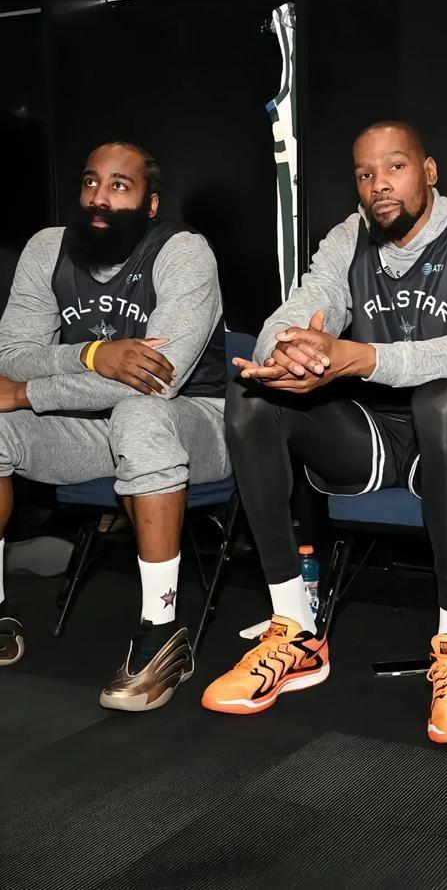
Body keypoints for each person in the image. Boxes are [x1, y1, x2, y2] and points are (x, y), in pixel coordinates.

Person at [203, 121, 447, 745]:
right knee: (251, 393)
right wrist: (287, 350)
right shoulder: (348, 237)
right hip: (376, 434)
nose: (379, 185)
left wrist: (359, 358)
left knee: (442, 397)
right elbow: (296, 312)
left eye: (395, 167)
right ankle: (295, 630)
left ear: (429, 171)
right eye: (365, 174)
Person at [0, 141, 230, 711]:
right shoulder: (47, 249)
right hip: (88, 426)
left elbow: (157, 381)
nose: (99, 198)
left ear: (150, 204)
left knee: (139, 413)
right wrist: (92, 355)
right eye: (90, 183)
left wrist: (31, 392)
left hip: (195, 423)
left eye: (119, 186)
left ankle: (162, 633)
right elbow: (11, 355)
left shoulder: (182, 252)